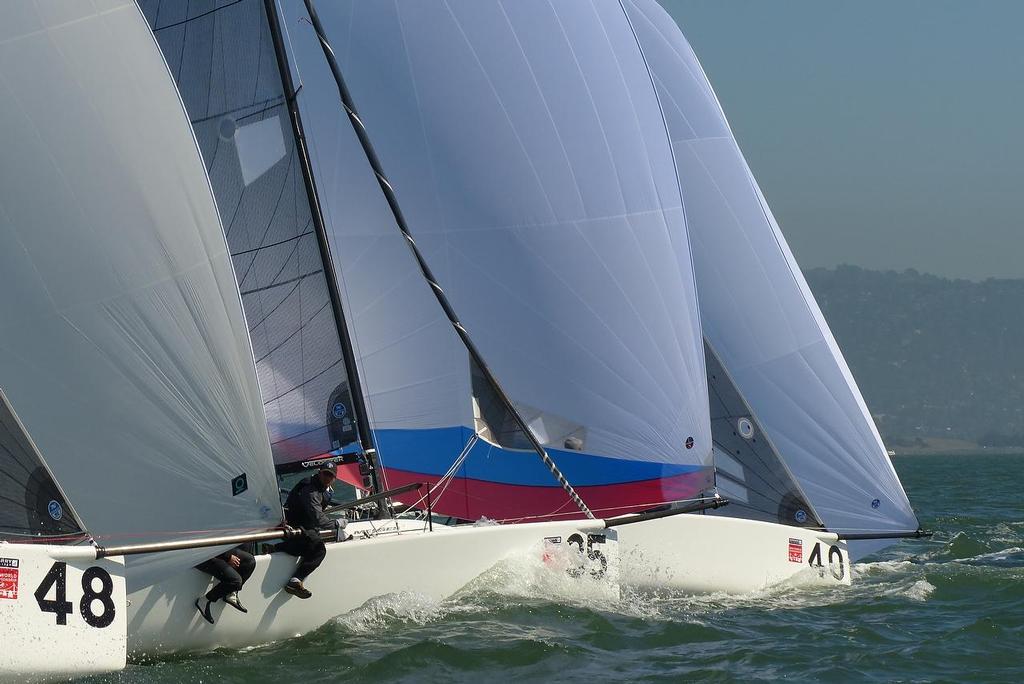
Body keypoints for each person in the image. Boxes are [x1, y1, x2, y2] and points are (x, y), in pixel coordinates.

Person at [279, 466, 346, 599]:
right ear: (319, 473)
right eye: (325, 474)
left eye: (330, 476)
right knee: (319, 550)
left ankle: (275, 548)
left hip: (305, 525)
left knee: (311, 544)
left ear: (334, 479)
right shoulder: (310, 489)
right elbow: (317, 517)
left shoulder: (324, 488)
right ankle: (295, 580)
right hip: (296, 525)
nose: (327, 477)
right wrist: (336, 523)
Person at [194, 546, 255, 624]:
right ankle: (204, 600)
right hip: (202, 555)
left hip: (218, 549)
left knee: (250, 561)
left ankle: (230, 593)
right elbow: (205, 544)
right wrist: (228, 557)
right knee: (236, 581)